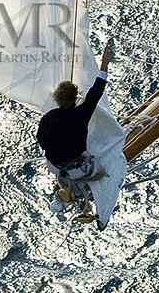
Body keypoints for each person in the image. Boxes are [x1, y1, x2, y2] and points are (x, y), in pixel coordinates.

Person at [37, 37, 114, 223]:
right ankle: (80, 191)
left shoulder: (48, 118)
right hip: (76, 166)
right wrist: (104, 64)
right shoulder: (82, 113)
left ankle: (66, 191)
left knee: (70, 166)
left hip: (54, 164)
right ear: (75, 97)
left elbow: (41, 141)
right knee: (103, 173)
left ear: (57, 99)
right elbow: (96, 91)